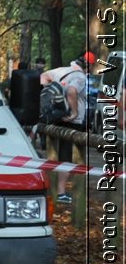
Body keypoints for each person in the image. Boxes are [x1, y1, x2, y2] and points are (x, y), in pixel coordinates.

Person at [39, 52, 96, 205]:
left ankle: (51, 189)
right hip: (71, 120)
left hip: (56, 117)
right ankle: (61, 192)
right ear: (89, 65)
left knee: (54, 154)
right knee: (67, 157)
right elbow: (72, 91)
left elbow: (44, 76)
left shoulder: (62, 70)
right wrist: (74, 111)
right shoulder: (79, 77)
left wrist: (51, 93)